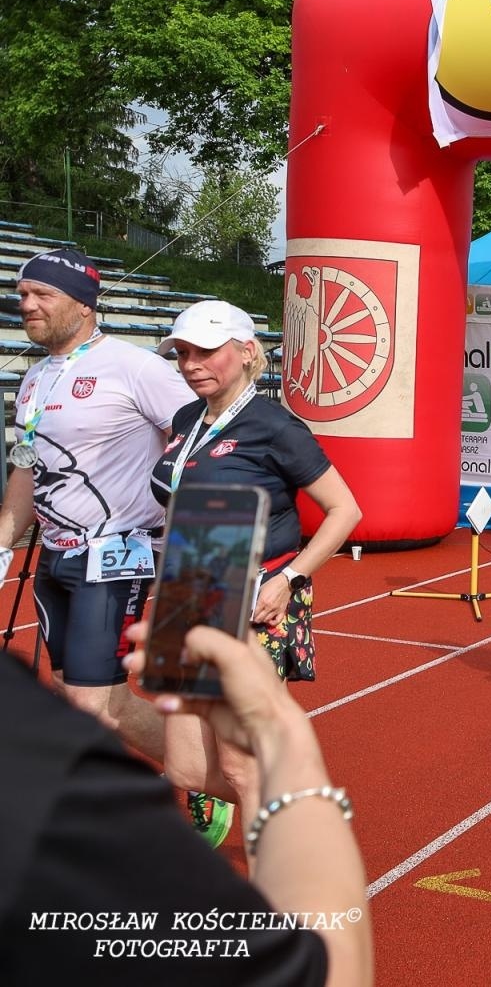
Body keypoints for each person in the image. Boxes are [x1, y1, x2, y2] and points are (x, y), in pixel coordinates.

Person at [0, 619, 373, 985]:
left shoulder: (29, 738)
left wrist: (290, 575)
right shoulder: (35, 749)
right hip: (202, 621)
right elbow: (334, 968)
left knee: (235, 769)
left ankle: (266, 892)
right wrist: (280, 732)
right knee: (190, 768)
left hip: (256, 606)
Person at [150, 299, 362, 847]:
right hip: (188, 595)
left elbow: (345, 512)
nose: (191, 363)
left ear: (246, 353)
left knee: (242, 765)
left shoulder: (273, 425)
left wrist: (288, 579)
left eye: (206, 351)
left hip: (254, 598)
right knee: (184, 768)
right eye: (183, 353)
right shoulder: (185, 419)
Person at [0, 248, 192, 761]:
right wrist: (2, 544)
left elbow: (199, 436)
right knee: (71, 691)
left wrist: (185, 531)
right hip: (55, 555)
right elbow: (26, 464)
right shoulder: (36, 378)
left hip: (115, 553)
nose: (28, 305)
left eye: (43, 294)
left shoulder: (134, 367)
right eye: (22, 294)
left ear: (85, 305)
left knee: (95, 702)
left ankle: (210, 777)